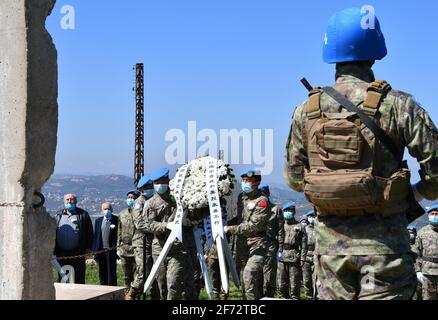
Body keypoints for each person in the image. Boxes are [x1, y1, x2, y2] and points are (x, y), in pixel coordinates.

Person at [284, 7, 438, 299]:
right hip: (386, 251)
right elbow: (437, 175)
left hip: (330, 254)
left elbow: (294, 180)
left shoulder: (306, 110)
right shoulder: (400, 106)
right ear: (376, 50)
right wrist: (410, 196)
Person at [134, 168, 190, 300]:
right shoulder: (150, 203)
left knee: (173, 283)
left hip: (176, 247)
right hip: (159, 247)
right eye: (156, 182)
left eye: (161, 181)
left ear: (167, 180)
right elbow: (149, 224)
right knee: (161, 284)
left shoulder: (177, 198)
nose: (158, 184)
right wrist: (166, 225)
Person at [224, 167, 270, 300]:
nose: (244, 183)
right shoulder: (241, 198)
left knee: (249, 275)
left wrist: (230, 229)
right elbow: (240, 219)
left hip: (257, 244)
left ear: (257, 182)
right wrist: (224, 222)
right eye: (243, 180)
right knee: (244, 282)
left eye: (248, 180)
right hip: (242, 245)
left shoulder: (262, 201)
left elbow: (254, 226)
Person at [125, 176, 157, 300]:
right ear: (142, 190)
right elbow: (140, 223)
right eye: (147, 188)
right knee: (143, 270)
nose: (150, 189)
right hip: (141, 240)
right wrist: (159, 227)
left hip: (155, 240)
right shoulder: (139, 203)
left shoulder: (155, 200)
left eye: (151, 187)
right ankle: (132, 293)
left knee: (156, 270)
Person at [54, 193, 93, 284]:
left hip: (78, 253)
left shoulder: (83, 215)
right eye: (67, 200)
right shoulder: (58, 215)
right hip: (61, 253)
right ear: (64, 201)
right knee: (63, 277)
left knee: (78, 277)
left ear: (76, 201)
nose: (69, 202)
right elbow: (53, 232)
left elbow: (90, 232)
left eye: (72, 200)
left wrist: (88, 248)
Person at [277, 201, 307, 300]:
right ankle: (284, 297)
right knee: (282, 283)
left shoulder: (300, 226)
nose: (287, 212)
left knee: (294, 284)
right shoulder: (280, 225)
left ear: (293, 212)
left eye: (289, 210)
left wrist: (302, 258)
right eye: (285, 210)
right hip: (282, 256)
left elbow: (304, 244)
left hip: (294, 257)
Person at [259, 184, 284, 298]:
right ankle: (258, 295)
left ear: (268, 194)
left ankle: (269, 295)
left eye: (265, 193)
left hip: (270, 244)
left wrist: (281, 248)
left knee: (269, 272)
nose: (263, 196)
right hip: (257, 243)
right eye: (261, 194)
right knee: (257, 271)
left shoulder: (276, 210)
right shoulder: (256, 209)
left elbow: (280, 230)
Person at [118, 189, 141, 292]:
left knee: (138, 275)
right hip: (124, 248)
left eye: (133, 198)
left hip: (137, 248)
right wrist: (118, 246)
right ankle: (127, 293)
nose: (130, 200)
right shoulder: (122, 213)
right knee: (127, 275)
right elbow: (119, 231)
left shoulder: (142, 212)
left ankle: (136, 294)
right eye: (129, 198)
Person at [92, 202, 119, 286]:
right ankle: (103, 287)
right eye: (105, 209)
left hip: (111, 250)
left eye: (109, 209)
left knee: (111, 271)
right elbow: (96, 236)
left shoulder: (117, 220)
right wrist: (95, 251)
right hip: (101, 251)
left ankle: (112, 289)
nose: (107, 211)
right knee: (102, 271)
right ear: (102, 210)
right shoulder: (98, 221)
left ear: (112, 210)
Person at [415, 205, 438, 300]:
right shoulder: (422, 232)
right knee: (428, 298)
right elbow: (417, 253)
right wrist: (418, 270)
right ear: (428, 215)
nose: (435, 216)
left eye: (437, 214)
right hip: (427, 272)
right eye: (432, 214)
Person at [302, 210, 316, 300]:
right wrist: (302, 258)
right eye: (310, 217)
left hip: (316, 255)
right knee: (306, 280)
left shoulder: (319, 229)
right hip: (306, 256)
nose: (312, 218)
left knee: (315, 279)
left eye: (313, 216)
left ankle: (316, 297)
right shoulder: (304, 229)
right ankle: (308, 297)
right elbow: (302, 244)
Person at [407, 225, 422, 300]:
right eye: (409, 232)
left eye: (412, 232)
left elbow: (421, 258)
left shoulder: (419, 244)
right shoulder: (403, 244)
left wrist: (419, 270)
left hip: (417, 272)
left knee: (418, 292)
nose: (411, 234)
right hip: (406, 272)